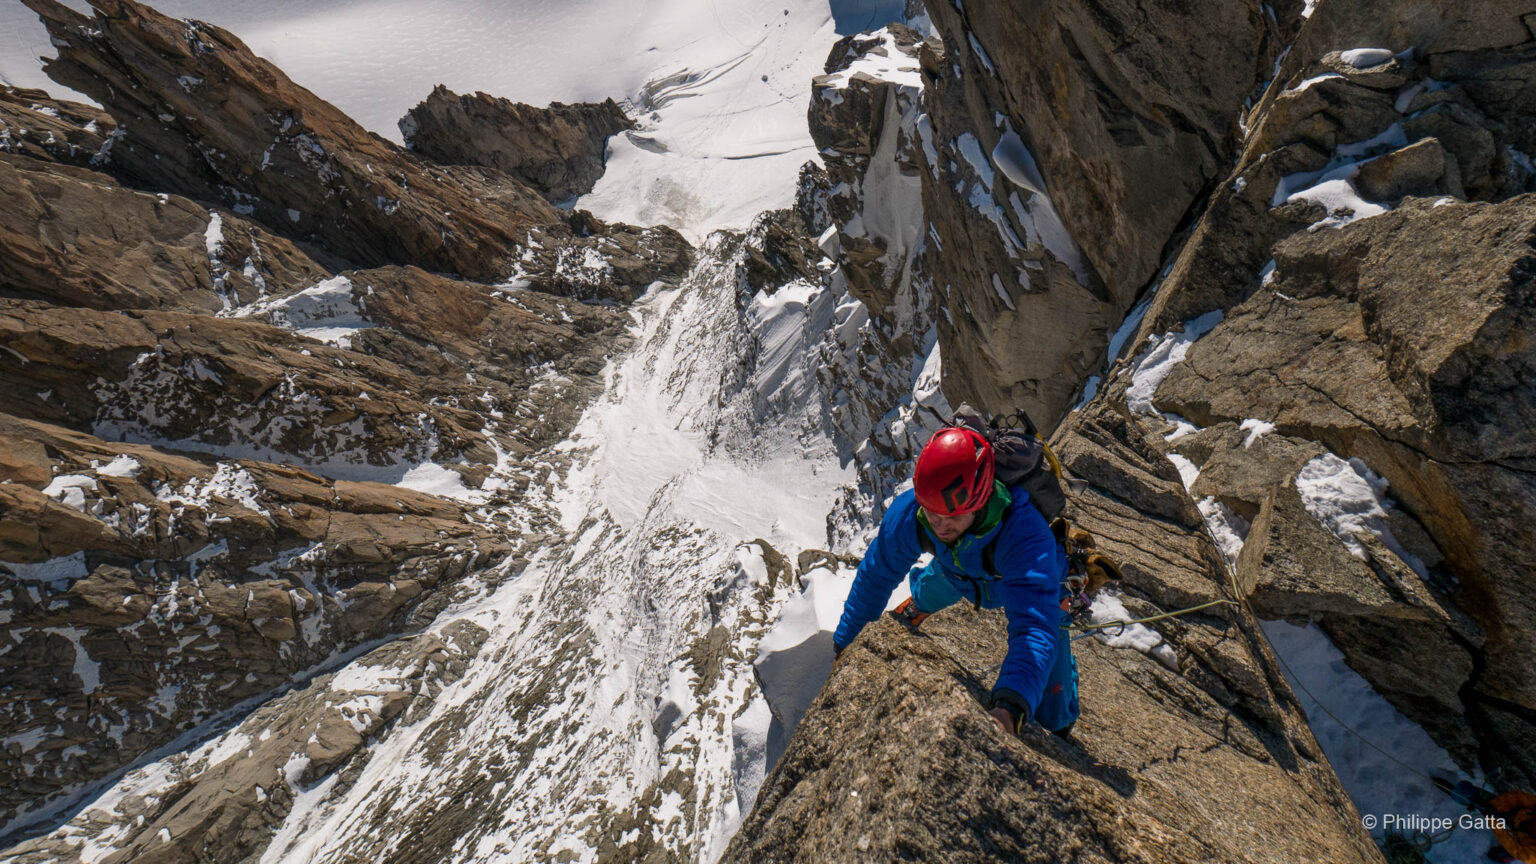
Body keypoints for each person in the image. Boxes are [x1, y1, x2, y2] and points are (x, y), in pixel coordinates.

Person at [831, 424, 1079, 737]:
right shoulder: (913, 514)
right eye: (932, 514)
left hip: (1030, 581)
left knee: (1054, 716)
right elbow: (875, 577)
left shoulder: (1025, 537)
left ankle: (1061, 707)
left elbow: (1033, 629)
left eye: (952, 517)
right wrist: (845, 645)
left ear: (982, 501)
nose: (940, 527)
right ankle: (920, 602)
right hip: (959, 570)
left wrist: (1010, 707)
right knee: (936, 584)